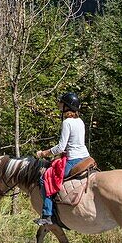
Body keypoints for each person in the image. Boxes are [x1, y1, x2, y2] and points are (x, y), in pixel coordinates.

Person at [34, 92, 90, 225]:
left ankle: (47, 215)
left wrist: (44, 153)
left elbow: (60, 147)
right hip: (85, 156)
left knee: (46, 179)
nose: (60, 106)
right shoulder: (80, 121)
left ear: (67, 106)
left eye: (62, 104)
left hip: (74, 159)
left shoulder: (67, 122)